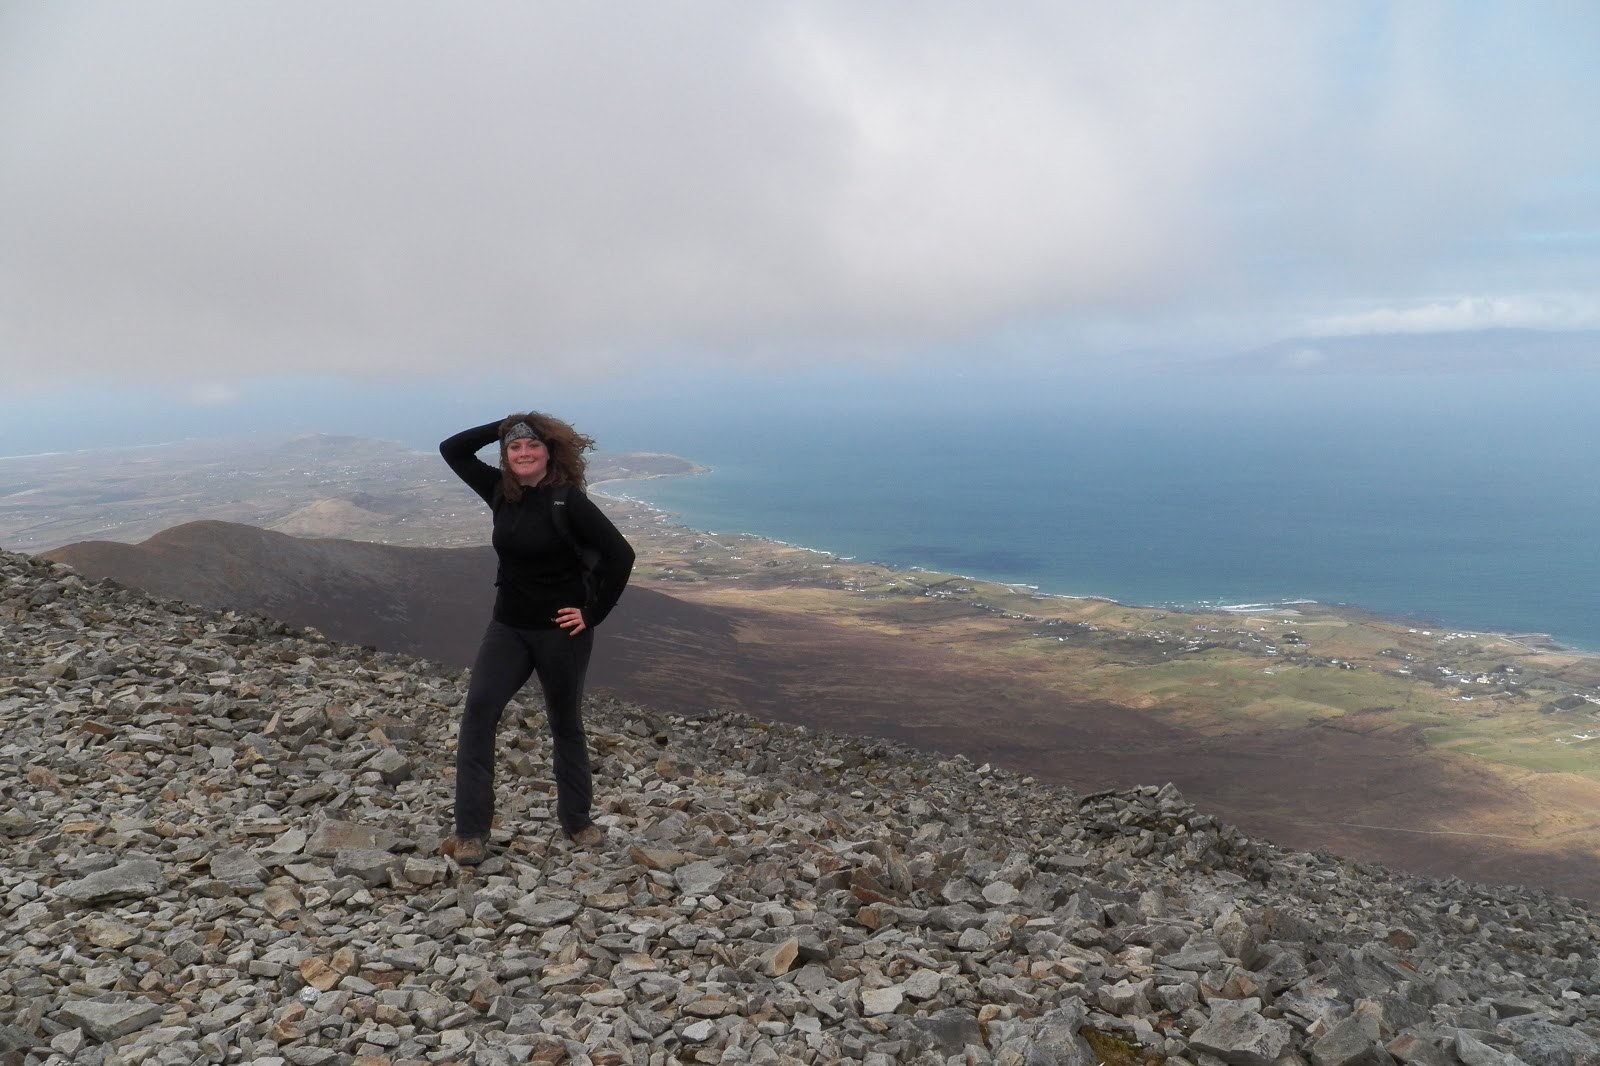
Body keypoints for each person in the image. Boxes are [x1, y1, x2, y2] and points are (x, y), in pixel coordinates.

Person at [438, 412, 635, 864]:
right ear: (507, 456)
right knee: (478, 715)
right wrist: (506, 425)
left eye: (532, 446)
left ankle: (578, 821)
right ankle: (470, 833)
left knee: (565, 723)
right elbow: (452, 449)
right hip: (507, 627)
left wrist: (592, 614)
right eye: (515, 448)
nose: (524, 454)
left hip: (559, 633)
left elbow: (621, 554)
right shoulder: (498, 492)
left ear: (549, 453)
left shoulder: (567, 501)